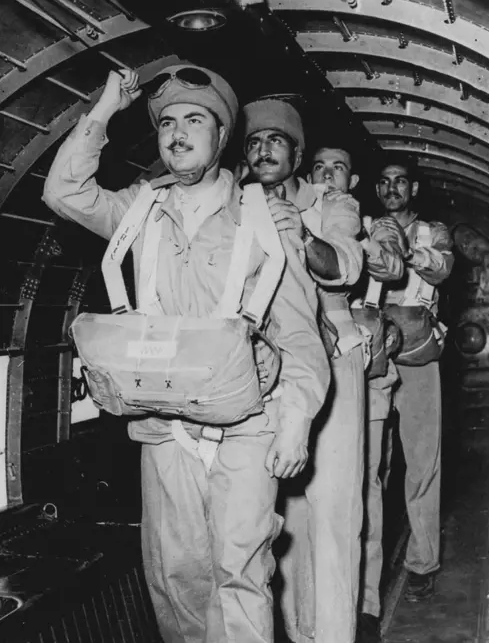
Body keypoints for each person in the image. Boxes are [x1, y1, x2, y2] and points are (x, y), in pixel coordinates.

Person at [42, 61, 330, 643]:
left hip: (249, 424)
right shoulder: (140, 208)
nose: (177, 133)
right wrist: (103, 110)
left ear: (222, 137)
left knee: (240, 571)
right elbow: (63, 191)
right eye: (167, 122)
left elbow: (300, 333)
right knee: (177, 577)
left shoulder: (264, 217)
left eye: (195, 120)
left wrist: (296, 419)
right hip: (163, 428)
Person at [242, 97, 367, 643]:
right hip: (263, 371)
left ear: (296, 156)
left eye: (276, 141)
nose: (263, 150)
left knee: (334, 509)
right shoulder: (234, 202)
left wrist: (303, 235)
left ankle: (337, 633)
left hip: (334, 362)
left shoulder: (328, 203)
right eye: (253, 141)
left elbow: (344, 265)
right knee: (280, 515)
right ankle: (296, 632)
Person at [357, 155, 454, 643]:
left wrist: (402, 249)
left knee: (422, 462)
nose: (392, 189)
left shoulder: (432, 232)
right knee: (368, 469)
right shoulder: (360, 226)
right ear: (376, 188)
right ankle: (365, 591)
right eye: (385, 182)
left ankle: (422, 563)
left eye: (401, 182)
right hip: (372, 353)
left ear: (413, 188)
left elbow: (439, 269)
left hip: (418, 354)